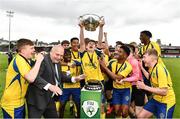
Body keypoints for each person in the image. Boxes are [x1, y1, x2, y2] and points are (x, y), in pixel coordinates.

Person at [26, 45, 85, 118]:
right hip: (37, 99)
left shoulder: (57, 61)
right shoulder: (42, 60)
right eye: (57, 54)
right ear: (51, 52)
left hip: (49, 98)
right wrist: (50, 86)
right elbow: (35, 77)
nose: (59, 57)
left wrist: (74, 79)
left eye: (61, 55)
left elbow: (59, 76)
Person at [0, 38, 44, 118]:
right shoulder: (19, 60)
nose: (34, 50)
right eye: (31, 48)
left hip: (19, 101)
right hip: (12, 104)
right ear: (23, 51)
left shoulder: (25, 60)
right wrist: (39, 61)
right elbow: (31, 78)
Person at [137, 49, 176, 118]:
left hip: (166, 102)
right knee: (140, 116)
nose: (143, 59)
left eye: (144, 57)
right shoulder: (152, 68)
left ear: (151, 58)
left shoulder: (160, 69)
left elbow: (164, 91)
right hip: (156, 99)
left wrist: (144, 87)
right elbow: (150, 76)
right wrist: (141, 67)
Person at [99, 45, 132, 118]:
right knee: (117, 111)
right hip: (116, 90)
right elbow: (103, 70)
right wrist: (101, 61)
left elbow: (117, 79)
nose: (116, 52)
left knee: (124, 111)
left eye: (120, 52)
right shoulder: (112, 61)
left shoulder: (128, 66)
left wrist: (105, 67)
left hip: (125, 90)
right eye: (117, 51)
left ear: (125, 55)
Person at [59, 37, 82, 118]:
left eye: (69, 55)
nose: (68, 56)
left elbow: (82, 64)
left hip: (76, 86)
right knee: (62, 105)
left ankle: (78, 117)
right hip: (65, 87)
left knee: (78, 104)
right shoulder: (62, 63)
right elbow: (57, 62)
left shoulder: (75, 61)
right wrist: (67, 64)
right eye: (66, 55)